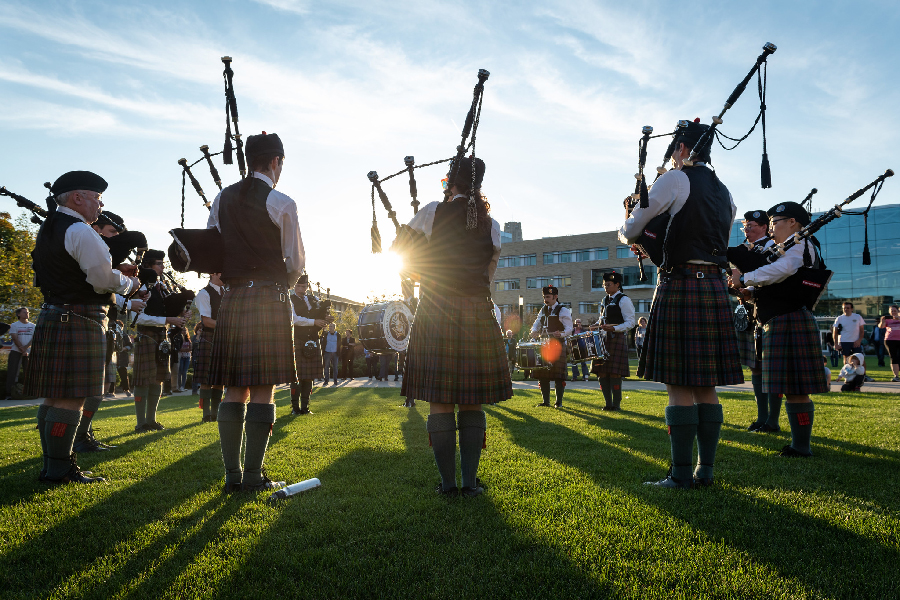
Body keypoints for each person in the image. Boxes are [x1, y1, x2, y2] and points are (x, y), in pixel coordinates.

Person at [620, 120, 742, 489]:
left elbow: (632, 229)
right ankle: (705, 472)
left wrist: (631, 213)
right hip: (714, 286)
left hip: (680, 283)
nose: (672, 158)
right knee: (706, 386)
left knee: (678, 384)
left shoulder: (675, 179)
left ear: (682, 150)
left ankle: (680, 473)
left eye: (674, 150)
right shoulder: (725, 192)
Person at [399, 156, 512, 497]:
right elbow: (487, 276)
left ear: (450, 181)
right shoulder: (492, 225)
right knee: (471, 399)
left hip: (436, 310)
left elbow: (399, 252)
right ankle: (469, 483)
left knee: (441, 399)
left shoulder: (433, 211)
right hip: (476, 312)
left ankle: (448, 484)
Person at [24, 170, 141, 484]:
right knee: (71, 398)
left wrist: (112, 266)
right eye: (97, 198)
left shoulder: (50, 228)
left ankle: (52, 465)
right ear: (78, 197)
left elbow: (71, 269)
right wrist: (128, 282)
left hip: (54, 313)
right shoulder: (81, 229)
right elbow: (101, 280)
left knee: (53, 396)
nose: (100, 206)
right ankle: (60, 469)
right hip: (78, 317)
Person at [207, 131, 303, 493]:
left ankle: (232, 477)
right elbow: (295, 261)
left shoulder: (222, 198)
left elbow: (213, 246)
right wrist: (279, 282)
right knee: (263, 389)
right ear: (276, 161)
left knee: (235, 389)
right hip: (268, 298)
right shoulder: (282, 202)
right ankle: (252, 477)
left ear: (249, 160)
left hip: (232, 300)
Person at [730, 201, 830, 458]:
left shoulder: (801, 242)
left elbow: (785, 270)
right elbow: (776, 282)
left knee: (796, 388)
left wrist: (747, 278)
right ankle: (798, 444)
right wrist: (750, 293)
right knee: (789, 386)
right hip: (779, 320)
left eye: (775, 222)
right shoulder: (782, 248)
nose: (772, 227)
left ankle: (801, 446)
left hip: (791, 320)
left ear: (793, 223)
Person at [733, 210, 782, 433]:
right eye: (745, 226)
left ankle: (772, 419)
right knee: (756, 367)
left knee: (770, 369)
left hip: (770, 312)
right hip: (753, 312)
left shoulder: (773, 247)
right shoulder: (747, 250)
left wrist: (747, 285)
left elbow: (772, 277)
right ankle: (762, 418)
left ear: (764, 226)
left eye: (751, 225)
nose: (747, 230)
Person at [130, 250, 183, 432]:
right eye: (159, 264)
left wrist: (180, 314)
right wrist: (168, 320)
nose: (162, 267)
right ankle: (140, 423)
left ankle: (151, 420)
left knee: (158, 379)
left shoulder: (162, 288)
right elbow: (137, 319)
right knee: (143, 380)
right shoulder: (139, 288)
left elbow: (167, 311)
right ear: (148, 266)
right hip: (146, 336)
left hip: (161, 337)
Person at [590, 272, 635, 410]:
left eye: (608, 285)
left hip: (617, 338)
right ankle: (608, 404)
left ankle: (616, 404)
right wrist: (596, 324)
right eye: (604, 285)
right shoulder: (604, 300)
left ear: (617, 284)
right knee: (602, 372)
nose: (605, 287)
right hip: (603, 339)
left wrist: (615, 329)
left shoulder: (624, 299)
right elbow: (603, 319)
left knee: (615, 373)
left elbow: (631, 322)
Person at [290, 274, 328, 415]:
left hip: (312, 339)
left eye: (304, 286)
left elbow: (318, 314)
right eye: (299, 286)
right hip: (298, 339)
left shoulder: (312, 299)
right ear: (294, 286)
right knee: (297, 376)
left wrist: (325, 318)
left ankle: (305, 407)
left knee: (309, 376)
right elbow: (294, 319)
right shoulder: (290, 299)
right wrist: (314, 321)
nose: (302, 289)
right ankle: (295, 408)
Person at [530, 285, 573, 408]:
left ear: (555, 297)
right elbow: (536, 324)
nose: (545, 299)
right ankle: (546, 402)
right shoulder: (543, 310)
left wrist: (562, 333)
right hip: (544, 346)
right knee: (543, 374)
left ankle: (558, 402)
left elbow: (569, 329)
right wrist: (533, 330)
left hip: (558, 346)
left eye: (548, 297)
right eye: (544, 297)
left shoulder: (563, 310)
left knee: (558, 376)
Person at [194, 273, 225, 422]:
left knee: (220, 379)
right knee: (206, 379)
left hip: (225, 338)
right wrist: (230, 326)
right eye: (221, 273)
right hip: (210, 338)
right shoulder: (204, 293)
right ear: (213, 274)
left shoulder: (228, 292)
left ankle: (216, 413)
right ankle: (206, 414)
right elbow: (206, 321)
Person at [5, 307, 34, 400]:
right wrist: (22, 350)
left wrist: (25, 349)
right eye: (24, 312)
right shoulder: (14, 325)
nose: (27, 314)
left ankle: (31, 392)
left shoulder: (33, 326)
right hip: (16, 351)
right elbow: (14, 337)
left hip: (29, 352)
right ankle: (9, 393)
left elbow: (34, 339)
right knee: (13, 372)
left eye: (28, 312)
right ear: (19, 314)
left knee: (29, 372)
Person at [883, 304, 900, 382]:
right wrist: (882, 321)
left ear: (898, 311)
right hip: (890, 340)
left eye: (894, 311)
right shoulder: (888, 319)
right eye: (891, 311)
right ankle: (896, 376)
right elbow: (881, 326)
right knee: (893, 357)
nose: (893, 312)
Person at [116, 324, 132, 396]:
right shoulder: (112, 333)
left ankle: (126, 390)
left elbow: (130, 346)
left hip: (122, 357)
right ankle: (110, 392)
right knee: (111, 375)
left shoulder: (125, 335)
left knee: (124, 375)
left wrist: (123, 349)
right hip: (113, 357)